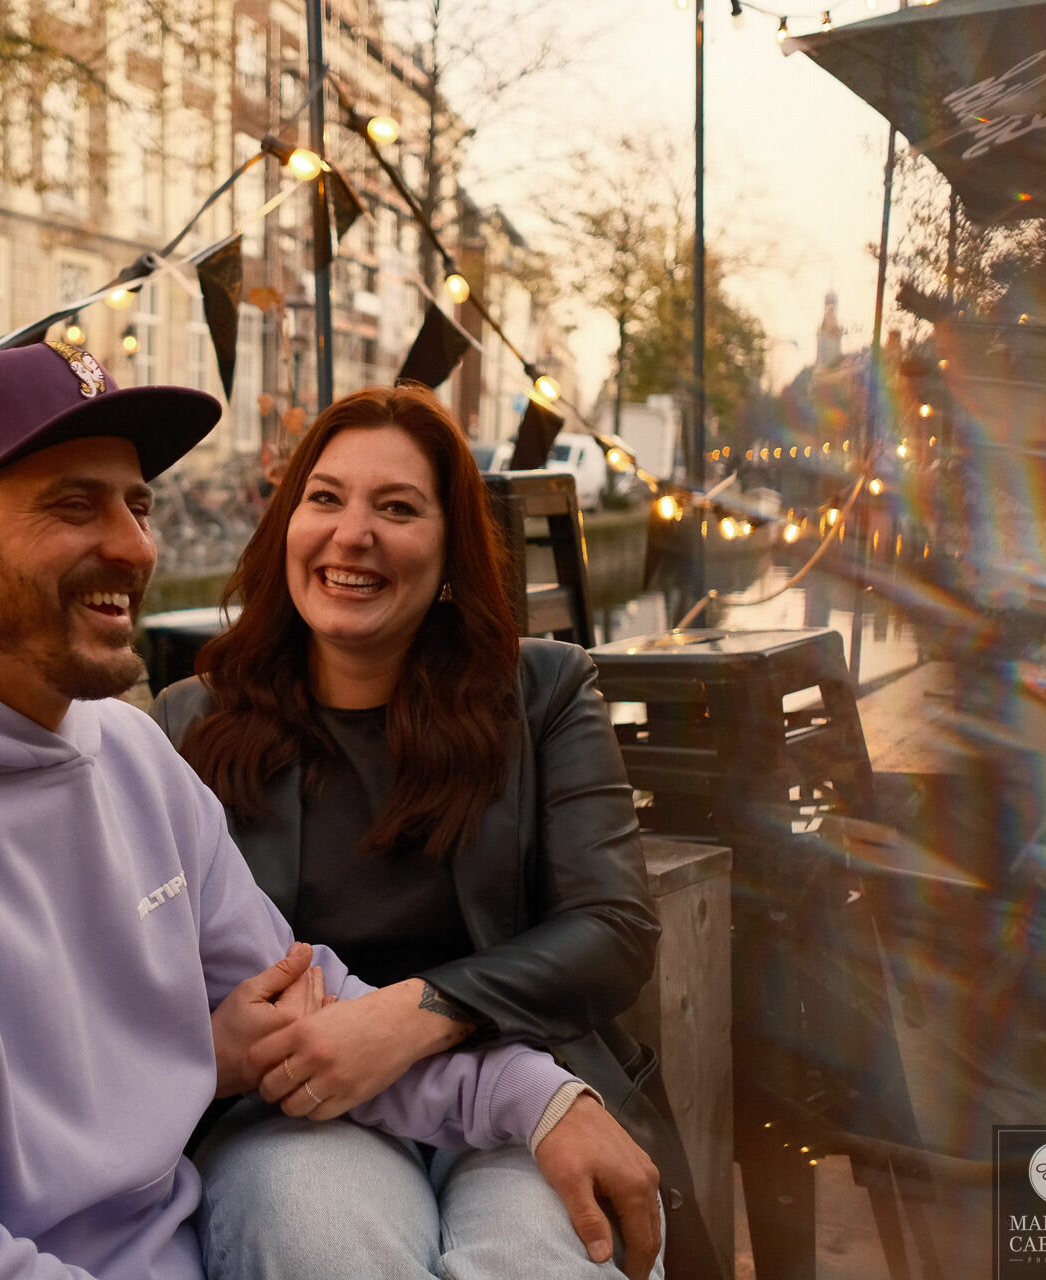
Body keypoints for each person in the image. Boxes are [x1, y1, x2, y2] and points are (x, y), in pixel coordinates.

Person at [0, 342, 648, 1280]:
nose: (136, 545)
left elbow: (301, 1002)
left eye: (138, 503)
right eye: (74, 505)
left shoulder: (128, 750)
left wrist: (538, 1094)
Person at [151, 383, 723, 1280]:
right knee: (323, 1248)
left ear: (453, 549)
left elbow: (612, 929)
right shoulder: (191, 722)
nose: (352, 535)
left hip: (520, 1079)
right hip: (299, 1112)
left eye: (398, 508)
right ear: (285, 531)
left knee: (545, 1260)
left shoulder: (544, 694)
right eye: (326, 499)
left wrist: (417, 1013)